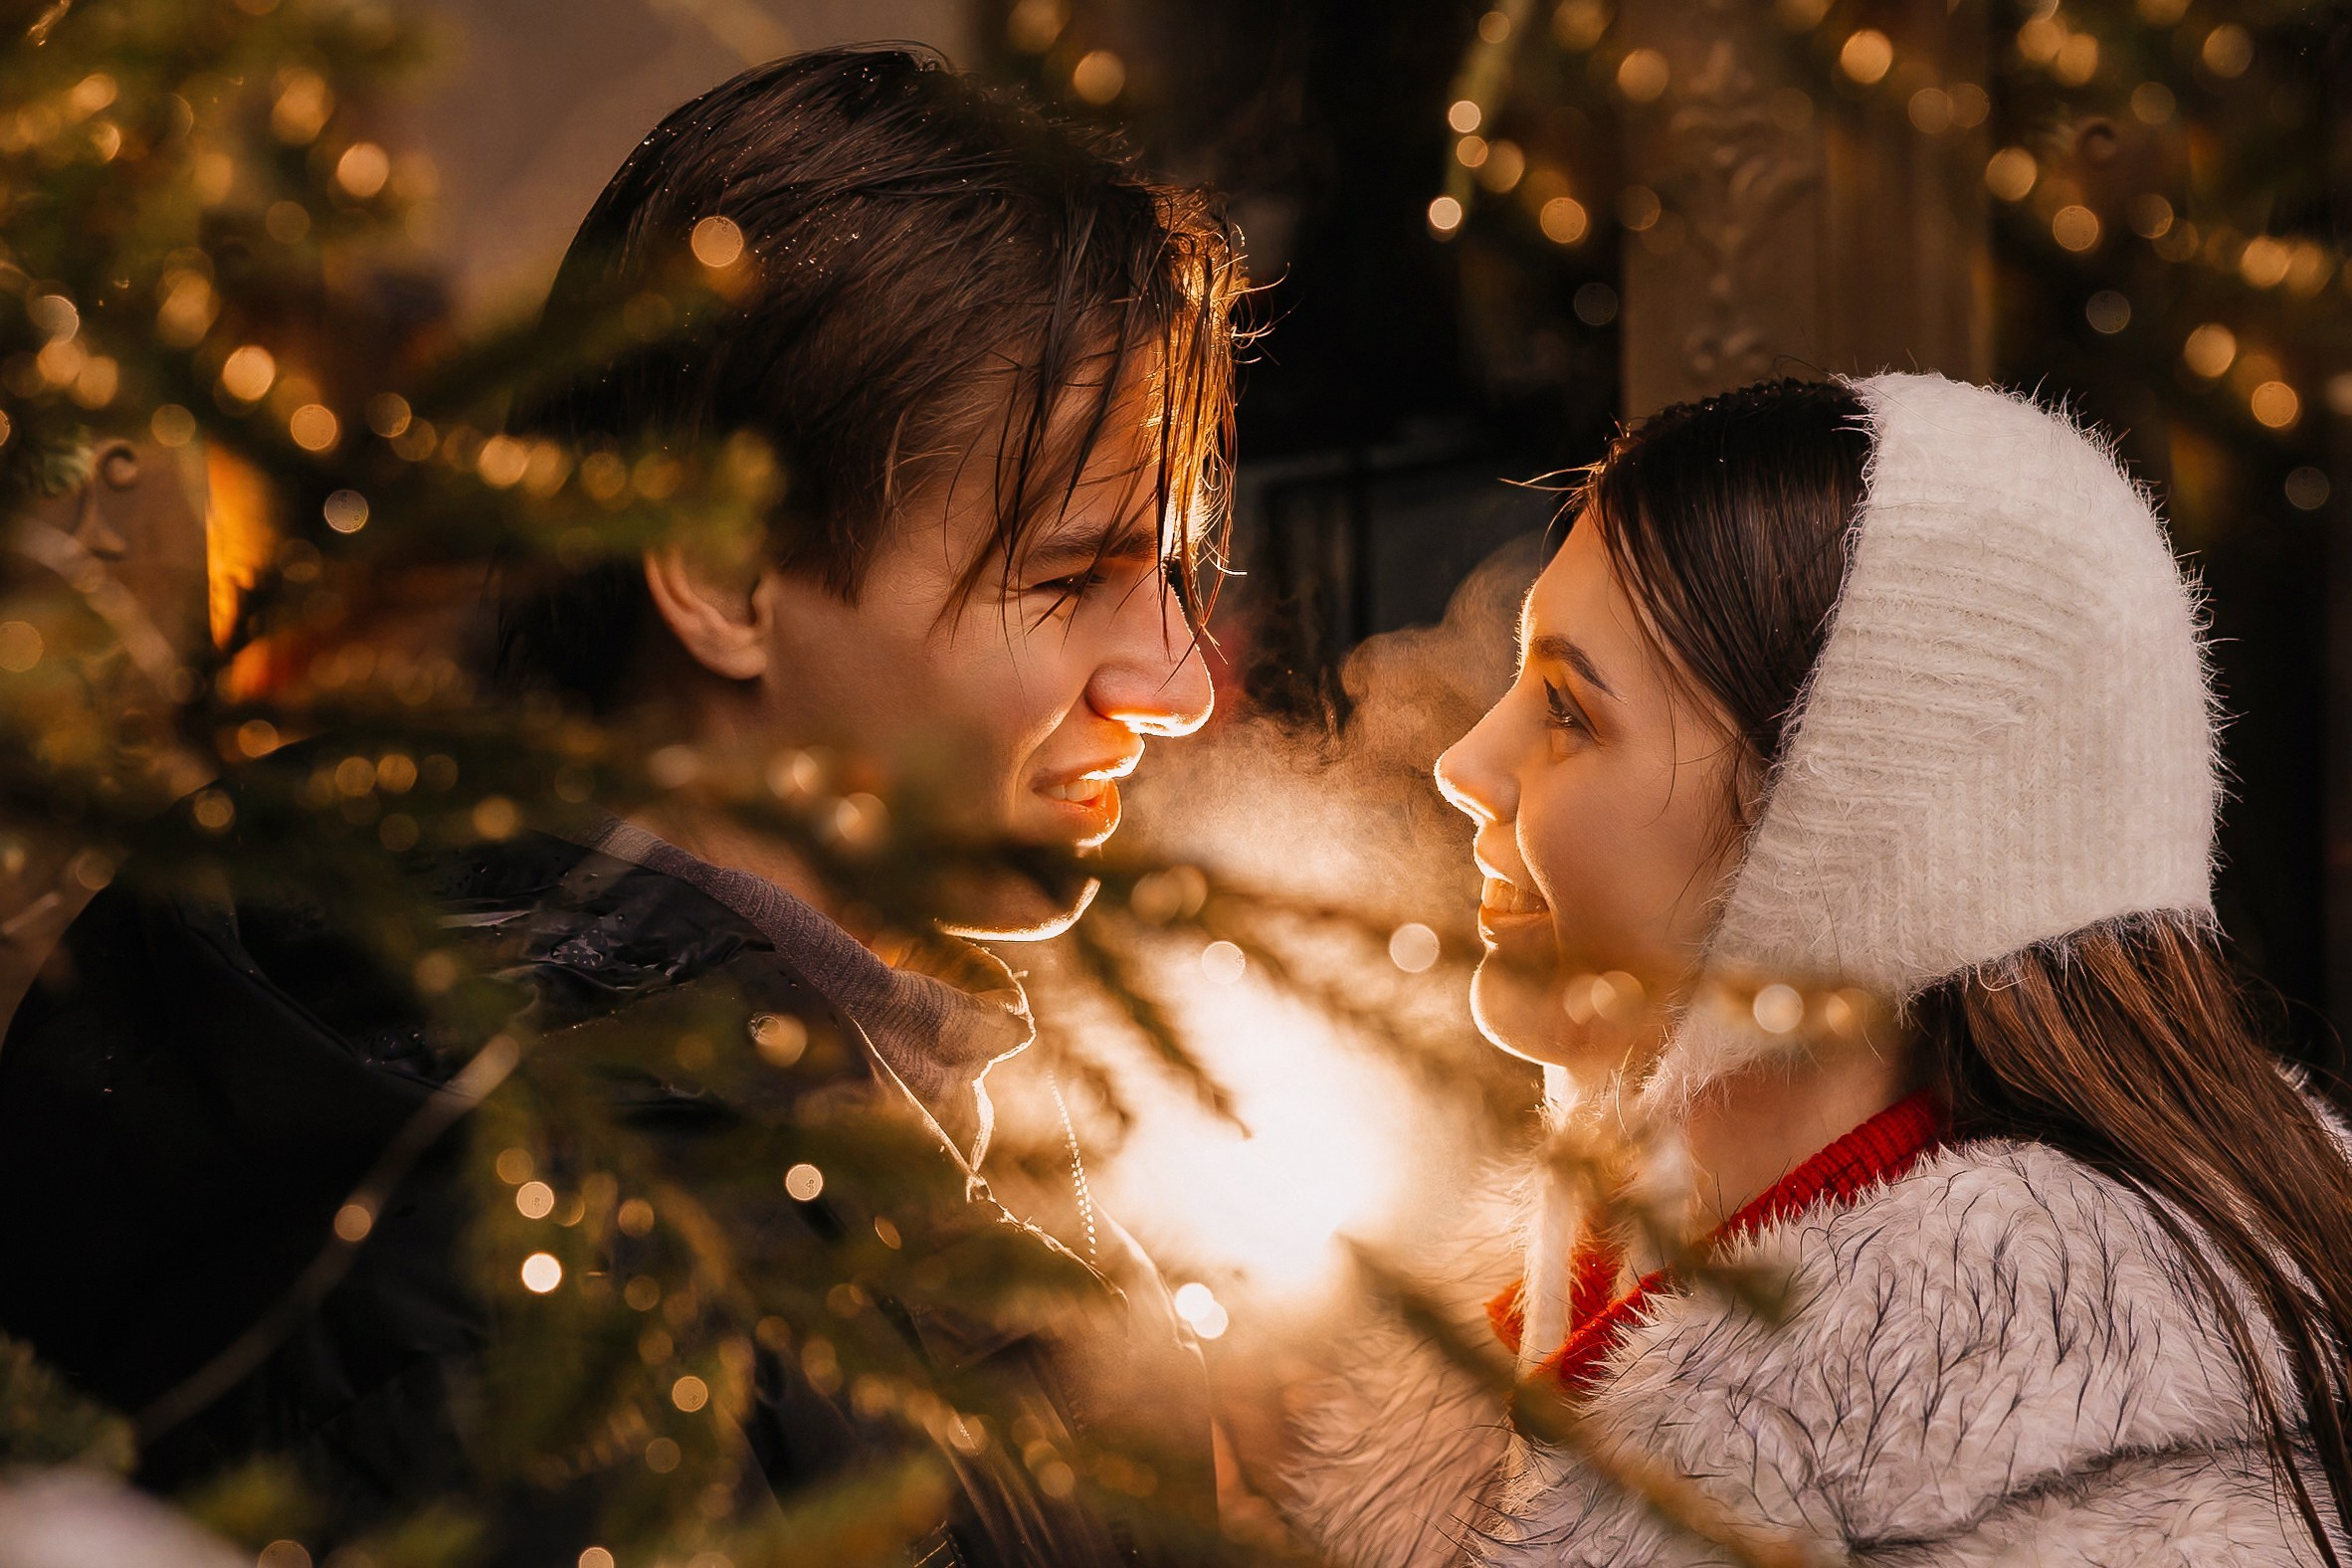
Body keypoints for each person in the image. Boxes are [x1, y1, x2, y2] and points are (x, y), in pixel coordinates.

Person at [0, 48, 1245, 1566]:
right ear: (721, 572)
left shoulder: (849, 1110)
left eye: (1178, 568)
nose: (1180, 678)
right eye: (1070, 577)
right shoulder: (529, 1297)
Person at [1287, 374, 2352, 1566]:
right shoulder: (1564, 1319)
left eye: (1569, 711)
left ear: (1843, 839)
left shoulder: (2127, 1519)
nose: (1465, 762)